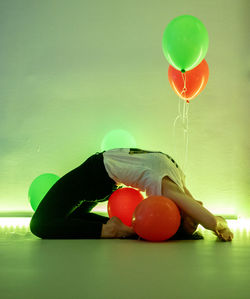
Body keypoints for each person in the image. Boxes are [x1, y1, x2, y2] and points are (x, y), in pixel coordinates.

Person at [30, 148, 233, 241]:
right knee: (67, 220)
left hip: (95, 175)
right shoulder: (179, 181)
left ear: (181, 213)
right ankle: (116, 228)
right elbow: (207, 216)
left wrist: (218, 225)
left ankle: (112, 231)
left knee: (40, 225)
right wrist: (219, 222)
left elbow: (209, 221)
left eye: (192, 220)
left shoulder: (168, 190)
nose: (195, 211)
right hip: (104, 181)